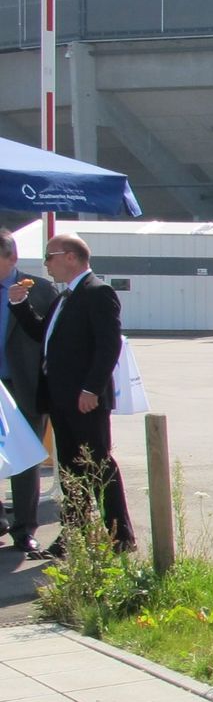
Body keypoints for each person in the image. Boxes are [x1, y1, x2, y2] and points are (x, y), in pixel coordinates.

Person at [7, 233, 134, 553]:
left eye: (50, 257)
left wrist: (92, 388)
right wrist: (20, 306)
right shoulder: (65, 297)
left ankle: (120, 536)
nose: (46, 264)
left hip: (85, 398)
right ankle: (74, 534)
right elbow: (42, 335)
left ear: (72, 258)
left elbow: (109, 345)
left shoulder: (97, 292)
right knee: (70, 469)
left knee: (97, 465)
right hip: (61, 397)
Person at [0, 229, 56, 556]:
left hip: (24, 387)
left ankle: (25, 529)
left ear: (13, 258)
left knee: (25, 458)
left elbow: (53, 339)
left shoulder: (39, 290)